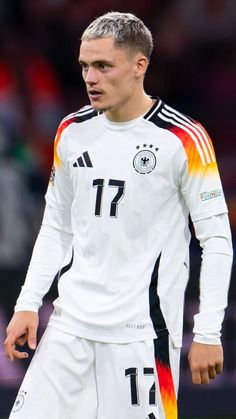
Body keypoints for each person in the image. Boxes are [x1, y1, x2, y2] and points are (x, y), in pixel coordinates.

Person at [4, 11, 233, 419]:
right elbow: (57, 226)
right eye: (84, 66)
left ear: (138, 65)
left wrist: (208, 331)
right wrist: (27, 303)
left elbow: (216, 240)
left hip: (141, 337)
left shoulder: (183, 139)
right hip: (68, 327)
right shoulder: (72, 130)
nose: (90, 78)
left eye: (103, 66)